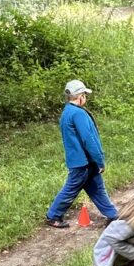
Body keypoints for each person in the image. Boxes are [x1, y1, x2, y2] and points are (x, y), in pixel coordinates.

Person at [46, 80, 118, 228]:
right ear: (80, 96)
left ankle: (113, 215)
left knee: (97, 188)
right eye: (85, 94)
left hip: (82, 161)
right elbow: (88, 139)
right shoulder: (78, 114)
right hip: (83, 162)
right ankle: (53, 216)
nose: (85, 97)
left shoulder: (67, 112)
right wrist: (100, 160)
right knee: (71, 189)